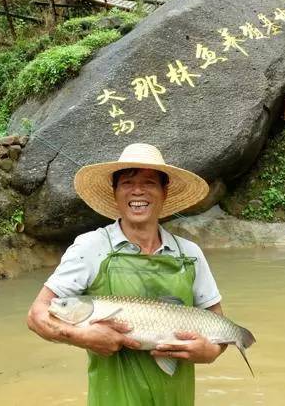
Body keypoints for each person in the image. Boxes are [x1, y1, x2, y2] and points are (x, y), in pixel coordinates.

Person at [27, 143, 226, 405]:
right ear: (115, 192)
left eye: (149, 182)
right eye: (127, 182)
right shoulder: (89, 247)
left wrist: (210, 352)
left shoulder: (190, 254)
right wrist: (81, 336)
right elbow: (37, 314)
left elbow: (220, 324)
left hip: (177, 398)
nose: (138, 191)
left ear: (164, 192)